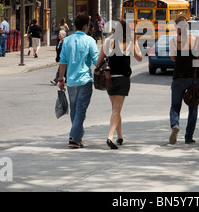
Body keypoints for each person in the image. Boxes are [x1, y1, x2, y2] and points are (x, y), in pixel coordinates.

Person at [97, 20, 143, 149]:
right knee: (116, 109)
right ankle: (110, 137)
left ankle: (120, 136)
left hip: (109, 79)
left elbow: (97, 63)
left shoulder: (107, 43)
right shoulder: (128, 44)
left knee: (115, 109)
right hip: (123, 79)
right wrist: (136, 42)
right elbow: (139, 57)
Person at [58, 14, 99, 149]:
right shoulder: (89, 40)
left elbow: (62, 62)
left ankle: (78, 136)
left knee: (75, 110)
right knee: (80, 110)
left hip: (71, 81)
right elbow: (96, 61)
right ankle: (74, 138)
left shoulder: (67, 40)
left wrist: (61, 79)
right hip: (85, 80)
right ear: (86, 26)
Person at [169, 15, 199, 145]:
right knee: (193, 107)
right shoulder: (196, 39)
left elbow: (173, 58)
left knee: (175, 106)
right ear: (187, 26)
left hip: (178, 77)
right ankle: (189, 137)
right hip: (193, 79)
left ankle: (175, 125)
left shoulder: (173, 41)